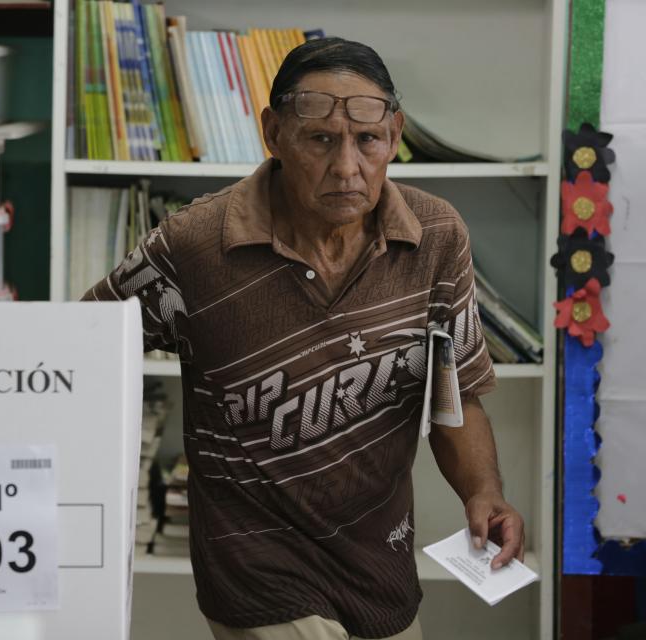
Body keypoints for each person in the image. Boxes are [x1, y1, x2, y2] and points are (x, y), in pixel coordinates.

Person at [83, 37, 525, 640]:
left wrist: (485, 492)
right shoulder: (193, 247)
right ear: (274, 134)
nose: (347, 167)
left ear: (394, 137)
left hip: (382, 576)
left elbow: (456, 396)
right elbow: (75, 352)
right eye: (320, 140)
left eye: (367, 141)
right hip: (258, 581)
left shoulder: (437, 236)